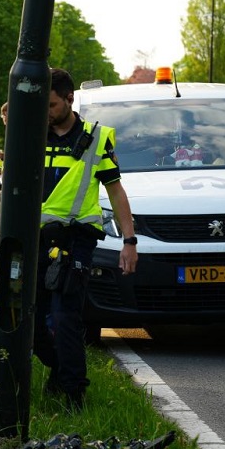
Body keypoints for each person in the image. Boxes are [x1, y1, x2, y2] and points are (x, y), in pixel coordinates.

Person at [34, 68, 137, 412]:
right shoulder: (33, 134)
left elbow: (116, 191)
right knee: (28, 321)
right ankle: (60, 368)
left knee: (65, 317)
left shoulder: (94, 138)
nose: (46, 113)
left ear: (68, 99)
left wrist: (129, 241)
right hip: (35, 240)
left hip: (75, 240)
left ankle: (73, 394)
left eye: (50, 105)